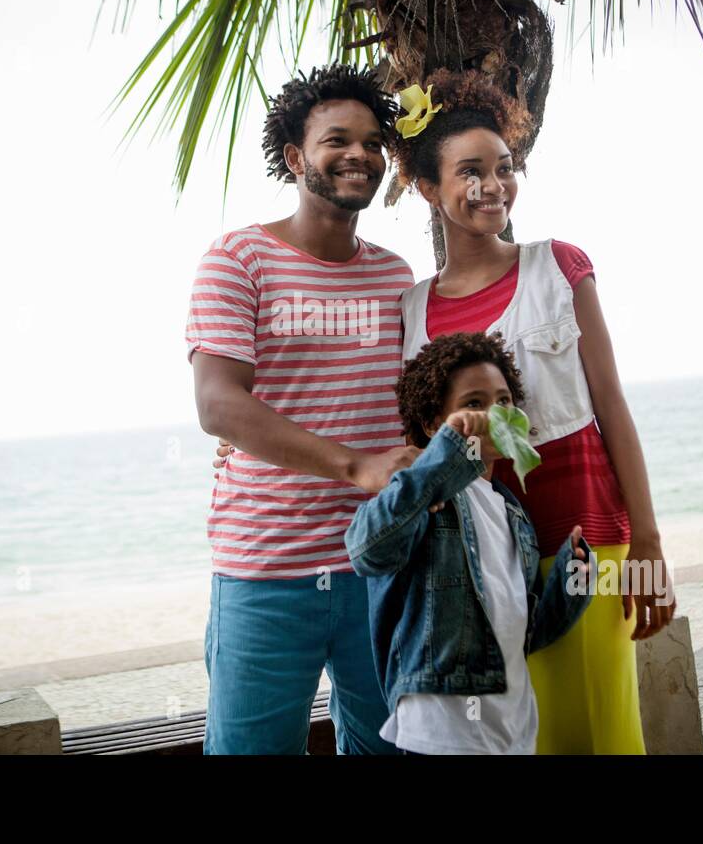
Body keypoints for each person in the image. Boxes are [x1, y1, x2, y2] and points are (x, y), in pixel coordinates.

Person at [389, 68, 676, 754]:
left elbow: (611, 406)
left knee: (604, 729)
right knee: (527, 740)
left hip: (587, 539)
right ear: (429, 189)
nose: (494, 185)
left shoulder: (560, 265)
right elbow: (414, 442)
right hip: (480, 561)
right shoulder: (411, 308)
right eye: (470, 171)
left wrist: (650, 544)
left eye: (504, 166)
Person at [185, 63, 416, 754]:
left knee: (386, 748)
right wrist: (354, 465)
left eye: (374, 143)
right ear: (295, 157)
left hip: (379, 562)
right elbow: (219, 404)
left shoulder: (395, 274)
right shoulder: (237, 258)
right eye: (337, 140)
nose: (359, 155)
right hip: (267, 569)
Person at [344, 331, 593, 755]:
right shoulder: (426, 495)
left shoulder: (513, 514)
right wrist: (447, 455)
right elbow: (366, 548)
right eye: (473, 404)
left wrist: (574, 583)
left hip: (513, 731)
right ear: (431, 424)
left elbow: (525, 630)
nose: (492, 414)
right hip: (442, 735)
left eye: (502, 401)